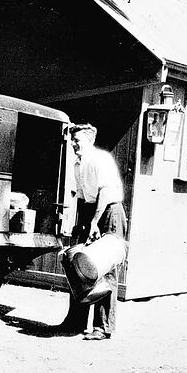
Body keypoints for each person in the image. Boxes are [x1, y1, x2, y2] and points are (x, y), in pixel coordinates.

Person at [54, 123, 128, 341]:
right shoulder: (77, 164)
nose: (74, 145)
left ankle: (103, 327)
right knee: (78, 264)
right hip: (89, 211)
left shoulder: (100, 159)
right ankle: (75, 321)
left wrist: (95, 221)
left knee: (104, 267)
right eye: (73, 141)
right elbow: (80, 196)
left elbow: (105, 192)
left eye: (77, 141)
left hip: (109, 211)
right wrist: (80, 223)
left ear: (90, 141)